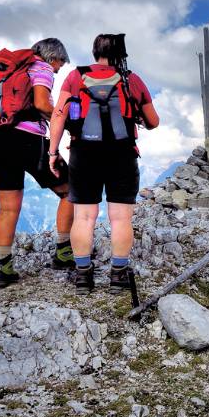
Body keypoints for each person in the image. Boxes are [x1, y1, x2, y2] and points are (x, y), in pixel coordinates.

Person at [49, 34, 159, 294]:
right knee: (121, 218)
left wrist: (53, 152)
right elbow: (153, 121)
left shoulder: (76, 77)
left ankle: (83, 276)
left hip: (83, 153)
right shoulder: (131, 80)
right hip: (122, 153)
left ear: (95, 51)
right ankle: (118, 276)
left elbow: (59, 114)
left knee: (84, 216)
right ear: (121, 53)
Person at [0, 38, 74, 287]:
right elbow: (42, 103)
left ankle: (4, 269)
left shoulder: (10, 71)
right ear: (52, 57)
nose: (57, 70)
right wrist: (62, 119)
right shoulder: (41, 68)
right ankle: (63, 253)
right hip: (27, 141)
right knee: (70, 191)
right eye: (59, 64)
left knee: (8, 208)